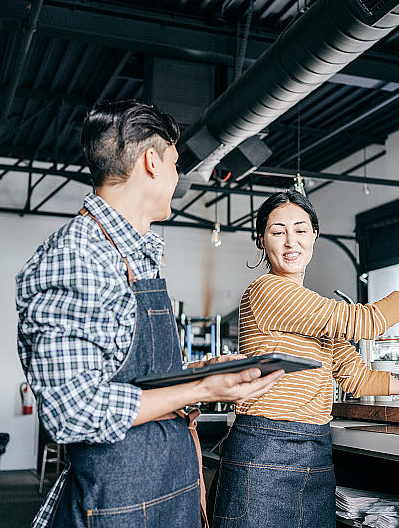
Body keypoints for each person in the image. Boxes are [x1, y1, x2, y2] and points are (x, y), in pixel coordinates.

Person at [16, 99, 283, 528]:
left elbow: (129, 378)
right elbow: (73, 413)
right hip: (118, 504)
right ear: (152, 162)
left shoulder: (136, 253)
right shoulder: (78, 255)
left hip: (165, 494)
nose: (179, 179)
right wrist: (203, 391)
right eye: (176, 164)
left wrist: (199, 372)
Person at [208, 190, 399, 528]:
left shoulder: (314, 309)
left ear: (314, 235)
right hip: (265, 450)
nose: (290, 242)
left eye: (299, 230)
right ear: (261, 240)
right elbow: (367, 322)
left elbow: (360, 379)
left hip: (314, 450)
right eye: (277, 231)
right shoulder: (267, 290)